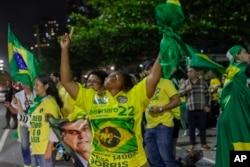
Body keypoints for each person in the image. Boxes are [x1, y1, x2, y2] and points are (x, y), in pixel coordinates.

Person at [60, 31, 162, 167]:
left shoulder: (135, 95)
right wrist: (65, 50)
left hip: (134, 163)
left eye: (116, 76)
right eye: (109, 76)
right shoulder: (91, 97)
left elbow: (154, 76)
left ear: (125, 85)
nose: (111, 76)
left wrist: (165, 44)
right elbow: (66, 81)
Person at [15, 74, 63, 167]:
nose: (34, 87)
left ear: (46, 86)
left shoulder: (50, 103)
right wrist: (19, 105)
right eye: (34, 85)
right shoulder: (37, 102)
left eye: (37, 85)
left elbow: (55, 127)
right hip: (37, 147)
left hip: (45, 149)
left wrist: (49, 148)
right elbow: (29, 122)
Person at [216, 45, 250, 167]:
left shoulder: (230, 73)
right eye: (245, 52)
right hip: (237, 118)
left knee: (230, 153)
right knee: (241, 152)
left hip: (227, 117)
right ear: (238, 56)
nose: (249, 55)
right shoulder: (242, 73)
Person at [142, 59, 181, 167]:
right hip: (149, 127)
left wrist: (160, 109)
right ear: (144, 72)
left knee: (167, 159)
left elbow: (177, 100)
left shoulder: (166, 82)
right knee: (154, 160)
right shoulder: (142, 85)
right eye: (147, 69)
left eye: (152, 67)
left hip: (163, 125)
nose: (151, 70)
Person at [179, 66, 211, 152]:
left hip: (201, 108)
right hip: (190, 108)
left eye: (191, 71)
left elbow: (208, 95)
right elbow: (179, 94)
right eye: (188, 72)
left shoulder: (203, 83)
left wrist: (207, 105)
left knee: (202, 127)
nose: (189, 73)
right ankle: (192, 144)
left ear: (196, 72)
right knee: (191, 128)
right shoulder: (186, 83)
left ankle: (203, 144)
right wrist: (186, 90)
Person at [6, 81, 36, 167]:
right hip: (23, 124)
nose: (25, 85)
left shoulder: (36, 94)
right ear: (21, 84)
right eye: (23, 83)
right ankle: (27, 164)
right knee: (25, 145)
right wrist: (10, 106)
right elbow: (15, 111)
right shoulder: (18, 95)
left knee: (36, 145)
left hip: (35, 124)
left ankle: (38, 163)